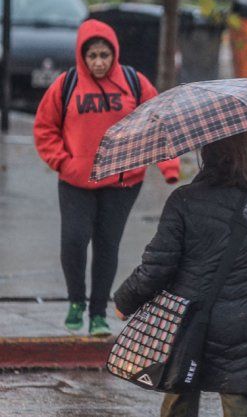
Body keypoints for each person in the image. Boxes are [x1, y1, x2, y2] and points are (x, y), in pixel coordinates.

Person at [113, 131, 247, 417]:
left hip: (187, 317)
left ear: (208, 156)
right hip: (242, 321)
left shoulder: (184, 200)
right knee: (237, 396)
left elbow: (158, 267)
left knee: (179, 392)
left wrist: (124, 301)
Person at [33, 19, 180, 336]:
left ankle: (98, 314)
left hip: (122, 183)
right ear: (82, 57)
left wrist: (169, 168)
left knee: (106, 246)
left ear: (114, 54)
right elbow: (45, 128)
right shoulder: (66, 85)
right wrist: (63, 162)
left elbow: (159, 125)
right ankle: (76, 302)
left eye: (104, 55)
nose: (98, 62)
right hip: (76, 181)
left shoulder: (133, 82)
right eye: (92, 56)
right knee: (74, 241)